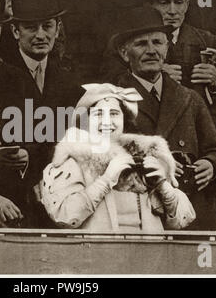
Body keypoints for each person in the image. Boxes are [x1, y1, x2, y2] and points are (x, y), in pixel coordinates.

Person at [108, 7, 216, 230]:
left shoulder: (190, 99)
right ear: (125, 53)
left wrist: (212, 166)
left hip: (189, 214)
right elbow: (102, 161)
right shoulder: (112, 101)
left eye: (157, 42)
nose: (151, 50)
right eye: (141, 44)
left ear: (167, 48)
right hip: (139, 218)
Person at [40, 83, 195, 231]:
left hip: (150, 255)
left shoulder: (143, 158)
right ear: (86, 121)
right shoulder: (71, 160)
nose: (107, 121)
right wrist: (106, 179)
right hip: (98, 254)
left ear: (123, 120)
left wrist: (163, 186)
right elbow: (64, 216)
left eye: (114, 114)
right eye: (98, 114)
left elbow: (182, 220)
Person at [0, 0, 84, 227]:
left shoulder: (68, 82)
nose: (41, 35)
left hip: (56, 197)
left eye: (47, 26)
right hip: (10, 203)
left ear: (58, 29)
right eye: (30, 27)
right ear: (15, 31)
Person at [101, 0, 216, 105]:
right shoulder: (125, 41)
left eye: (179, 2)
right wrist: (150, 76)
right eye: (164, 2)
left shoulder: (207, 40)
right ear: (150, 6)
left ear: (186, 5)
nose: (172, 11)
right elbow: (107, 86)